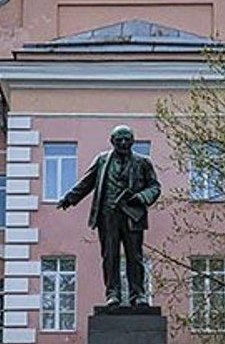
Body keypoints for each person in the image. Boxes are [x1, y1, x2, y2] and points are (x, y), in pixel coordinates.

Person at [58, 125, 161, 306]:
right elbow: (87, 182)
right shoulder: (102, 161)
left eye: (127, 139)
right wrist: (69, 198)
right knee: (110, 256)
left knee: (135, 257)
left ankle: (138, 295)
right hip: (108, 216)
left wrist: (141, 197)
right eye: (119, 140)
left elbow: (155, 187)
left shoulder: (143, 162)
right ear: (112, 141)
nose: (123, 143)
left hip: (132, 216)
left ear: (132, 141)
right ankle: (112, 294)